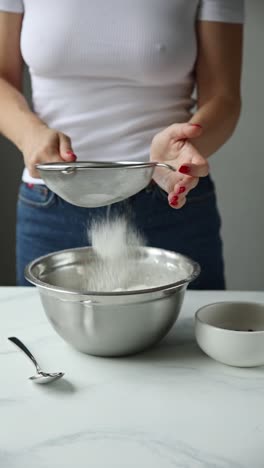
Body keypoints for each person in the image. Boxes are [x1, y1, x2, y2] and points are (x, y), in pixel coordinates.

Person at [0, 0, 244, 289]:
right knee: (36, 334)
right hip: (51, 204)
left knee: (191, 333)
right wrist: (30, 134)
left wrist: (185, 146)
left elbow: (223, 97)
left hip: (170, 197)